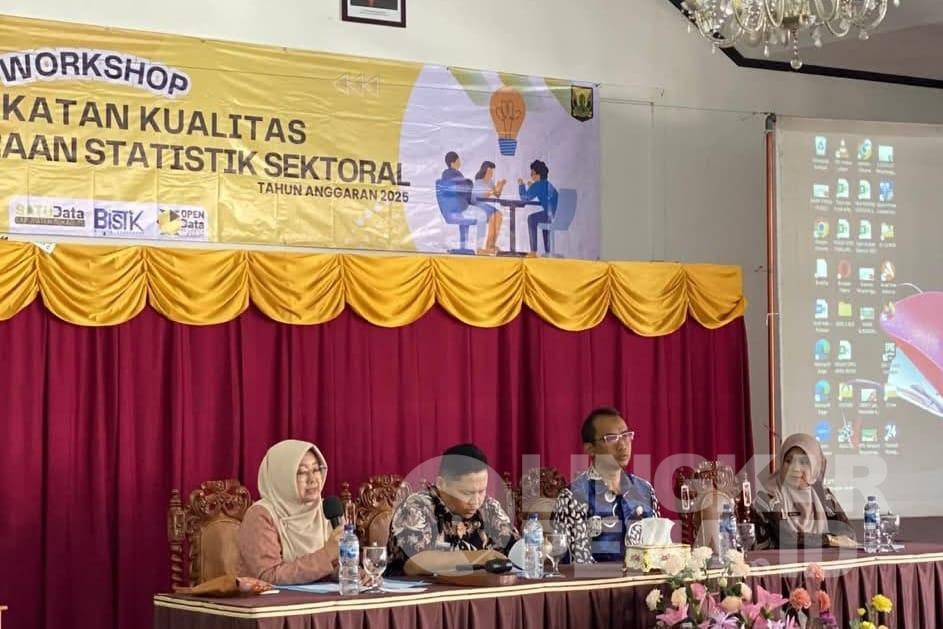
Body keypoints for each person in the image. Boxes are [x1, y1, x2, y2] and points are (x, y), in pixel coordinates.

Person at [387, 443, 519, 575]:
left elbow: (517, 548)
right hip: (420, 587)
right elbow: (414, 564)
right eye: (467, 493)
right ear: (442, 484)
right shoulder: (416, 507)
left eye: (482, 491)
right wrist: (478, 557)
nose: (476, 501)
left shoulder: (489, 507)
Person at [551, 407, 659, 563]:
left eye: (626, 435)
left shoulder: (645, 490)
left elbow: (658, 550)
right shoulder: (573, 497)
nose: (623, 445)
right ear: (590, 449)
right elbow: (574, 564)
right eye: (612, 438)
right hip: (596, 579)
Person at [237, 439, 343, 584]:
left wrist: (350, 572)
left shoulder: (327, 509)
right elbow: (269, 576)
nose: (313, 479)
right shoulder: (260, 515)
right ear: (281, 477)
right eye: (302, 472)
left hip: (321, 596)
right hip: (272, 598)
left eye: (316, 470)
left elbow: (334, 564)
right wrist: (327, 554)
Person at [751, 433, 856, 549]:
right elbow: (786, 538)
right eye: (788, 461)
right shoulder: (767, 496)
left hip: (821, 559)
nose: (795, 468)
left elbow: (848, 533)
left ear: (815, 466)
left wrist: (832, 540)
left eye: (803, 462)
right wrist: (829, 540)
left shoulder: (823, 495)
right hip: (775, 559)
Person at [517, 159, 559, 257]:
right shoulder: (548, 184)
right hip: (556, 215)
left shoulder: (538, 185)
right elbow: (545, 196)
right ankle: (548, 251)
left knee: (531, 219)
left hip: (550, 215)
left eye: (532, 173)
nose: (531, 176)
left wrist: (521, 185)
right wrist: (532, 187)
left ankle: (533, 251)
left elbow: (524, 198)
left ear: (537, 174)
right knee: (544, 222)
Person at [472, 160, 506, 255]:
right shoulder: (479, 182)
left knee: (499, 215)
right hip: (478, 204)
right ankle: (485, 247)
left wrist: (501, 186)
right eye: (489, 172)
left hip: (486, 205)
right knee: (494, 216)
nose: (491, 174)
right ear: (484, 171)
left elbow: (497, 194)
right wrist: (494, 190)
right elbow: (481, 195)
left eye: (492, 172)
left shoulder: (490, 182)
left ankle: (491, 244)